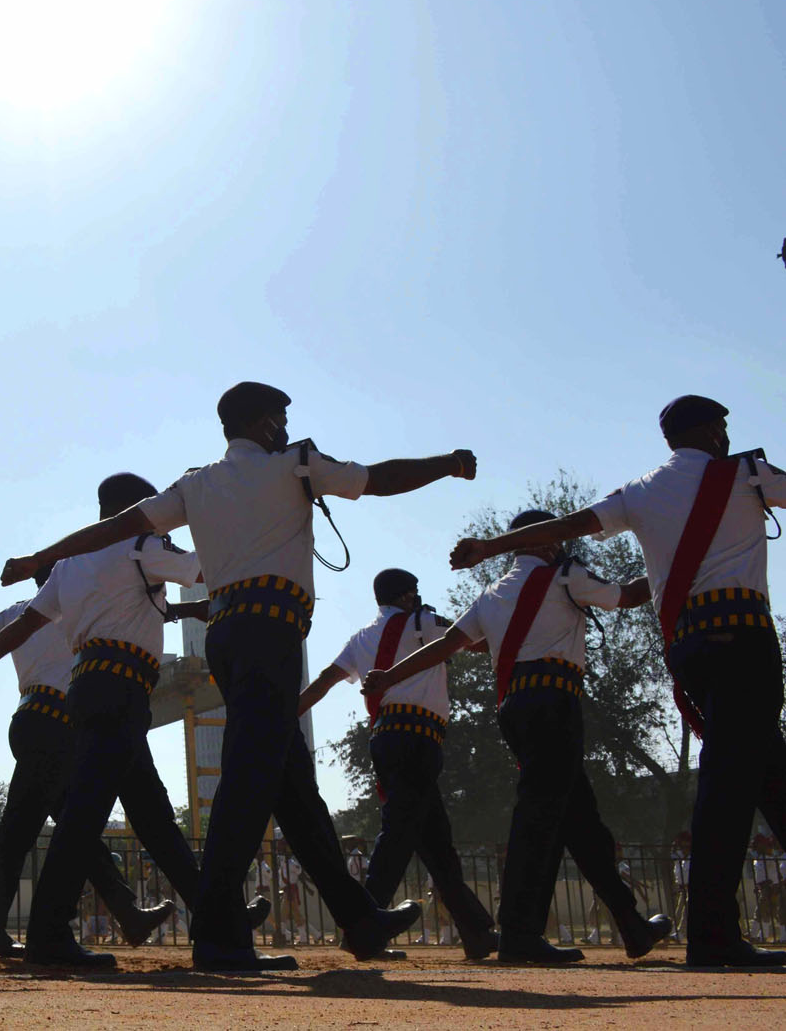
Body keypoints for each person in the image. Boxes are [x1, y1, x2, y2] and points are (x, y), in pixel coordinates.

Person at [0, 382, 467, 969]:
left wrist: (40, 556)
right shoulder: (295, 464)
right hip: (272, 633)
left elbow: (113, 528)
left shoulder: (196, 484)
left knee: (290, 781)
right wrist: (446, 465)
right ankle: (220, 935)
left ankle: (359, 918)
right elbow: (376, 477)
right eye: (283, 416)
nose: (287, 425)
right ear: (268, 422)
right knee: (249, 779)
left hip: (228, 635)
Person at [448, 396, 786, 967]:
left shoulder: (641, 490)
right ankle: (712, 933)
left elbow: (573, 522)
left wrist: (490, 549)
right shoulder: (746, 473)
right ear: (707, 430)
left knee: (770, 774)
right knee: (730, 786)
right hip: (742, 637)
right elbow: (595, 564)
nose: (726, 435)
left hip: (689, 643)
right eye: (721, 426)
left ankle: (645, 923)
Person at [0, 473, 259, 968]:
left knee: (154, 819)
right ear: (136, 507)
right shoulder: (141, 544)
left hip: (91, 689)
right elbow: (205, 570)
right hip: (122, 690)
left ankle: (220, 920)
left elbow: (23, 625)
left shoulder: (71, 563)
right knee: (86, 817)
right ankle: (49, 934)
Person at [372, 509, 671, 963]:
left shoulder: (491, 596)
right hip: (555, 701)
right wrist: (674, 565)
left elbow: (446, 646)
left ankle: (630, 924)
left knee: (580, 821)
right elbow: (628, 596)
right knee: (539, 817)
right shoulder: (565, 575)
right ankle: (519, 931)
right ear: (546, 540)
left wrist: (390, 675)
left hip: (516, 706)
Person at [0, 562, 189, 959]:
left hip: (30, 719)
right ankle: (5, 929)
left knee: (66, 830)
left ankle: (120, 911)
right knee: (40, 832)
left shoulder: (17, 613)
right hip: (59, 726)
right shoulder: (85, 606)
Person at [298, 567, 498, 960]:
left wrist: (289, 715)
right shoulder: (425, 620)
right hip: (419, 736)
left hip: (386, 735)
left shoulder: (361, 637)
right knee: (399, 833)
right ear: (409, 595)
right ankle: (363, 926)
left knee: (436, 843)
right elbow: (475, 643)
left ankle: (475, 931)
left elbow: (325, 680)